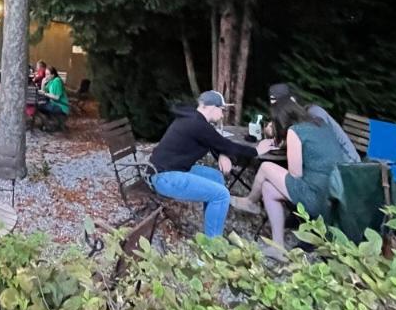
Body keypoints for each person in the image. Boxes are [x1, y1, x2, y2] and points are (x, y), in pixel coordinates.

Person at [148, 91, 276, 237]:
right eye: (222, 110)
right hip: (164, 177)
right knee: (222, 195)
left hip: (172, 169)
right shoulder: (197, 124)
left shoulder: (193, 119)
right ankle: (213, 245)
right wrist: (257, 150)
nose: (223, 114)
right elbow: (226, 144)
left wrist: (222, 154)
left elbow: (214, 142)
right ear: (211, 107)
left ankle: (212, 226)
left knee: (216, 177)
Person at [232, 97, 344, 253]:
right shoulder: (319, 123)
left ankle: (251, 202)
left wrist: (283, 141)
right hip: (332, 195)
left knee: (265, 167)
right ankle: (278, 248)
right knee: (268, 188)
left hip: (315, 196)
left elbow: (295, 174)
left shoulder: (295, 131)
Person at [267, 83, 359, 164]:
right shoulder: (297, 120)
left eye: (280, 105)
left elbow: (321, 147)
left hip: (347, 163)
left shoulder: (315, 113)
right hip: (329, 166)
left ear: (293, 100)